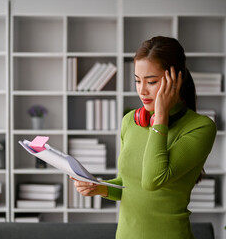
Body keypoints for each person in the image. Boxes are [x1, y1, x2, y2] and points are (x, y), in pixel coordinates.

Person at [71, 36, 217, 238]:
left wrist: (161, 117)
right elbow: (130, 186)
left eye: (152, 81)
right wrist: (100, 187)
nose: (142, 90)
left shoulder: (201, 127)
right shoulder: (130, 121)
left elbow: (152, 180)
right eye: (137, 81)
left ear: (176, 80)